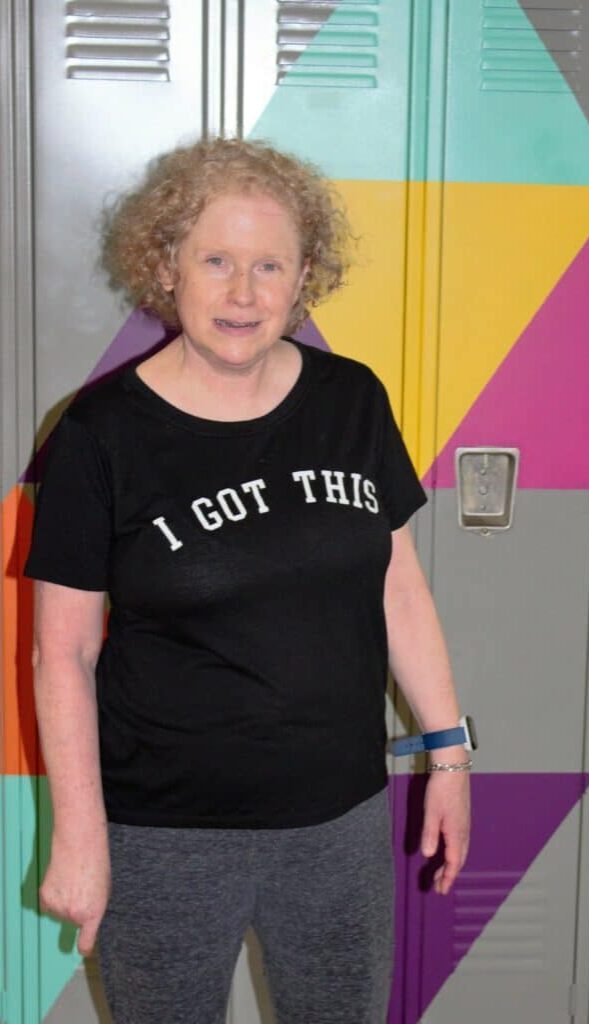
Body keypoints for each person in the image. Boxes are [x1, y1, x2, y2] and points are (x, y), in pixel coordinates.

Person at [25, 137, 471, 1024]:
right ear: (167, 266)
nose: (243, 293)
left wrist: (448, 753)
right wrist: (78, 836)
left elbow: (399, 589)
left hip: (338, 824)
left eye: (270, 265)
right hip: (165, 834)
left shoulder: (352, 400)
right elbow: (61, 652)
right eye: (217, 261)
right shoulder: (100, 433)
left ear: (305, 275)